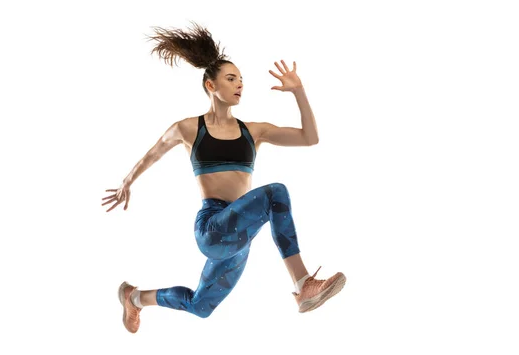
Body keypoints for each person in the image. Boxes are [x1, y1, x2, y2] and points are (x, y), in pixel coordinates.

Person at [102, 22, 346, 333]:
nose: (239, 85)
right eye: (231, 79)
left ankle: (134, 298)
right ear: (210, 85)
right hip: (213, 228)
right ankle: (303, 284)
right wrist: (126, 182)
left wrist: (299, 91)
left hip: (238, 241)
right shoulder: (189, 129)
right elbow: (152, 154)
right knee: (275, 194)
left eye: (241, 80)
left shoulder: (254, 131)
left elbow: (310, 138)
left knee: (201, 306)